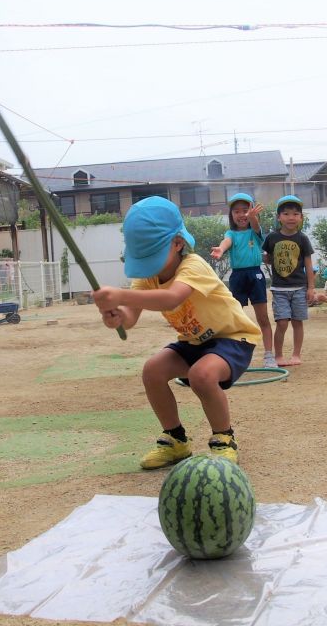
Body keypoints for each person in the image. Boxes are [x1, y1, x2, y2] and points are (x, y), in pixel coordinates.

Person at [93, 196, 262, 470]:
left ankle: (223, 438)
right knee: (153, 370)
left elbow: (172, 298)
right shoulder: (146, 276)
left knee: (201, 375)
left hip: (232, 338)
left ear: (178, 243)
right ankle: (176, 439)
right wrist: (116, 317)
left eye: (153, 255)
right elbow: (130, 318)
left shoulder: (193, 266)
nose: (149, 264)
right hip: (194, 342)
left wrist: (119, 294)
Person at [210, 192, 277, 368]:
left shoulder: (255, 233)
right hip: (237, 277)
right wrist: (221, 249)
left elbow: (255, 225)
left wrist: (253, 218)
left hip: (255, 275)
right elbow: (226, 241)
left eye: (245, 210)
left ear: (252, 212)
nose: (242, 215)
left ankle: (269, 356)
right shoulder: (230, 233)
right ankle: (234, 356)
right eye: (237, 211)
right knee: (236, 318)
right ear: (231, 215)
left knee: (263, 318)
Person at [261, 195, 315, 366]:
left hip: (299, 287)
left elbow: (308, 263)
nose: (291, 218)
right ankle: (278, 356)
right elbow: (268, 258)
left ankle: (296, 355)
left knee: (297, 322)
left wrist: (311, 288)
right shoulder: (271, 238)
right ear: (279, 217)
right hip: (279, 289)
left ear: (301, 218)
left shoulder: (302, 238)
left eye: (295, 214)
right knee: (282, 322)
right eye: (286, 214)